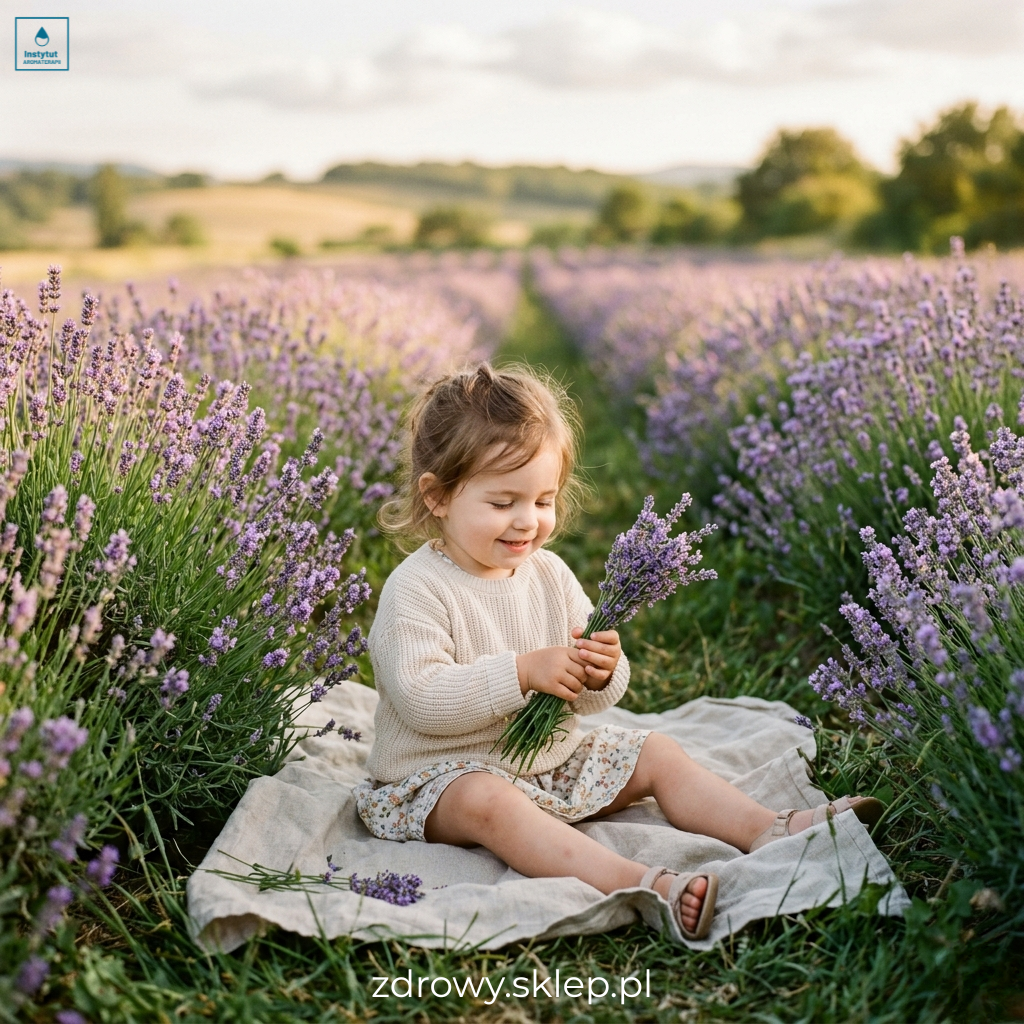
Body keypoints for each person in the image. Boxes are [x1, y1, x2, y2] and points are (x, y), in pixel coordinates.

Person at [355, 363, 881, 940]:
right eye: (504, 502)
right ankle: (643, 883)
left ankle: (768, 827)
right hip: (436, 781)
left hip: (545, 765)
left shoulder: (548, 574)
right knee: (491, 801)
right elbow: (420, 699)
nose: (528, 521)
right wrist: (523, 672)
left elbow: (593, 699)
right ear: (438, 497)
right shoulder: (417, 589)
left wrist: (602, 670)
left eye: (544, 500)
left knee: (654, 750)